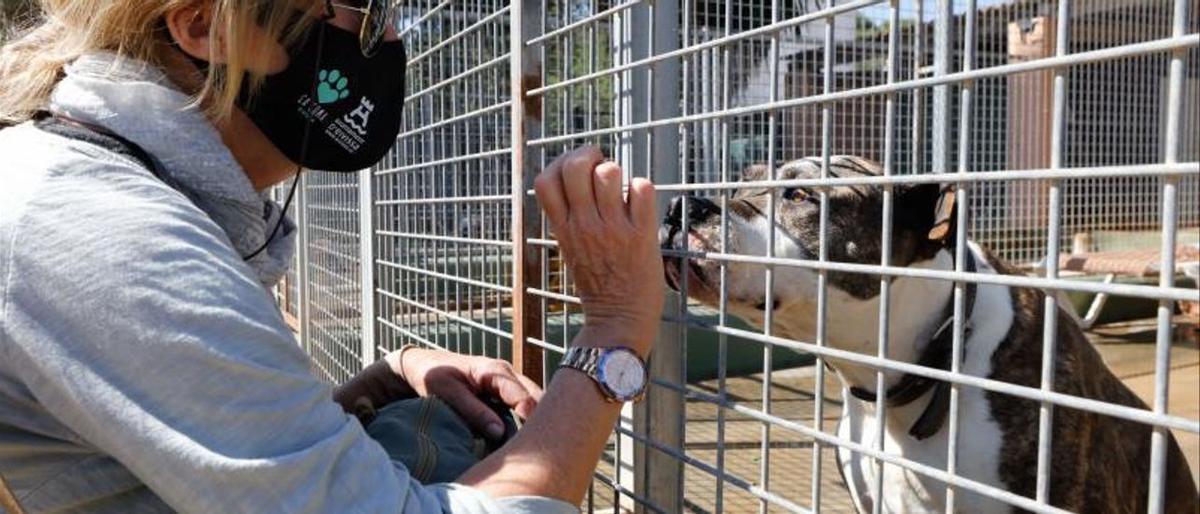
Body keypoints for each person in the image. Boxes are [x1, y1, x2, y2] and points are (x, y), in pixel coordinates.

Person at [0, 0, 665, 512]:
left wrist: (376, 384)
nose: (391, 40)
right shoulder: (111, 233)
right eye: (366, 10)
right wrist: (613, 335)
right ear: (206, 26)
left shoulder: (119, 189)